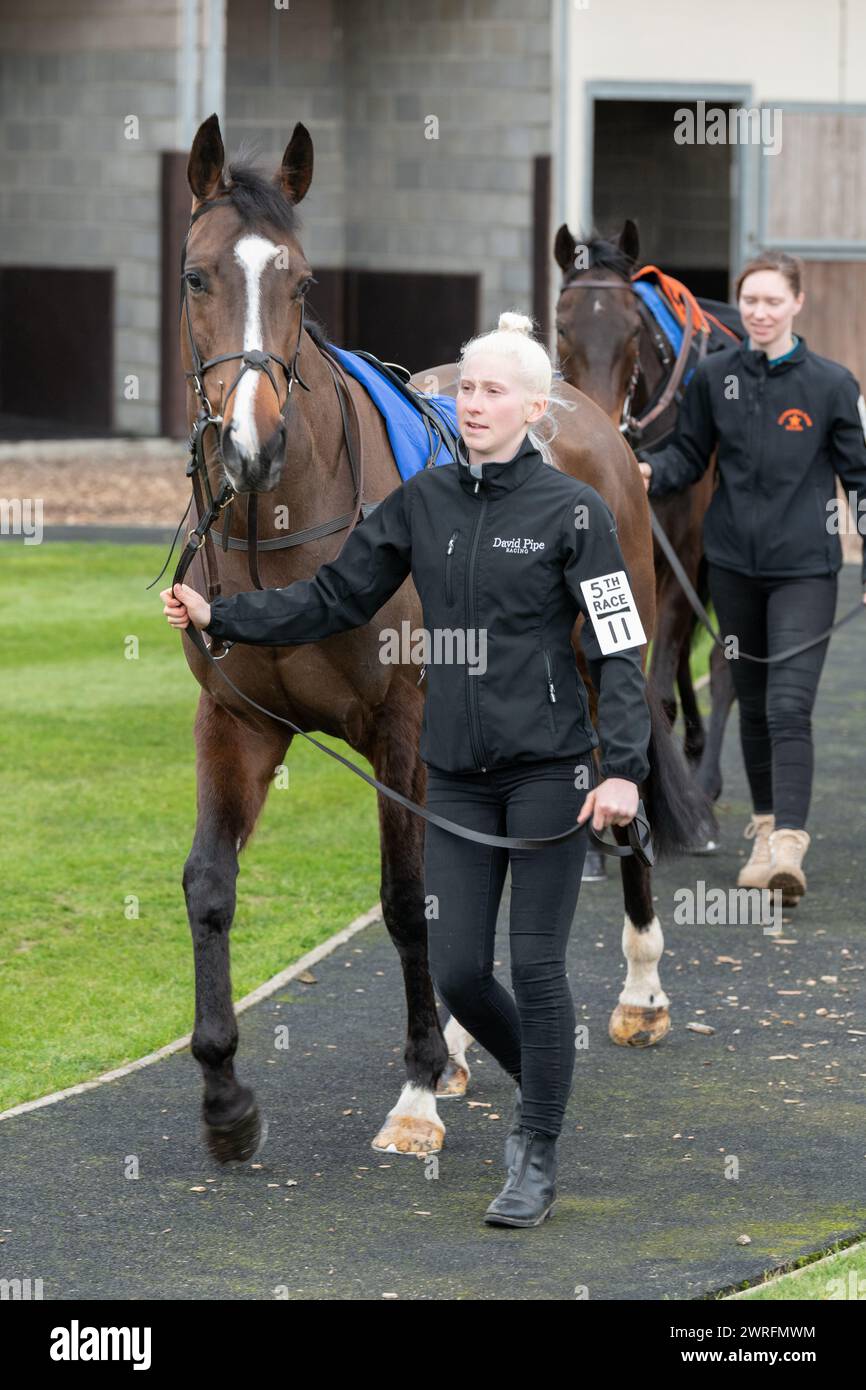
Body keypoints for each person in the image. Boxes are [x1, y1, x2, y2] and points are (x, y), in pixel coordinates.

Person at [162, 311, 652, 1228]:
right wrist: (223, 617)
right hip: (456, 774)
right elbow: (333, 596)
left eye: (493, 390)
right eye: (466, 388)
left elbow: (620, 646)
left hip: (549, 773)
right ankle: (547, 1082)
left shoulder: (575, 512)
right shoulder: (423, 502)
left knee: (535, 968)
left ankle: (535, 1145)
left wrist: (621, 770)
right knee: (460, 974)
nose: (473, 402)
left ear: (534, 408)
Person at [637, 251, 866, 906]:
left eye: (772, 301)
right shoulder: (714, 378)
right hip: (735, 570)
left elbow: (859, 479)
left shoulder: (831, 384)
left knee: (789, 705)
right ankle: (765, 836)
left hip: (805, 573)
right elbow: (688, 455)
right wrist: (647, 470)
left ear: (797, 303)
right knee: (757, 705)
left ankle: (789, 844)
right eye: (751, 301)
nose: (760, 312)